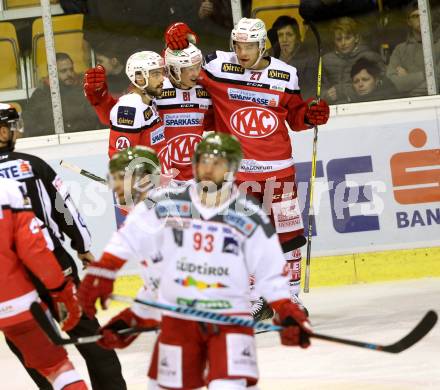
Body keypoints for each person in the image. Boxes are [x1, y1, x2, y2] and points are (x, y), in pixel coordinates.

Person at [78, 133, 312, 390]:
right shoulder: (169, 203)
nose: (208, 169)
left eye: (217, 163)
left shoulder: (250, 215)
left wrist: (289, 310)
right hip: (179, 321)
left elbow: (271, 273)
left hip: (229, 321)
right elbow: (135, 250)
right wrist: (123, 302)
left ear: (232, 168)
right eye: (203, 161)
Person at [164, 18, 330, 310]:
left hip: (278, 168)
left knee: (288, 237)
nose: (242, 51)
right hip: (238, 174)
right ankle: (254, 299)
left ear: (262, 44)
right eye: (238, 44)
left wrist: (309, 115)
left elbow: (293, 116)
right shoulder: (216, 65)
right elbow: (181, 70)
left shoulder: (285, 75)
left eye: (249, 45)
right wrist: (178, 42)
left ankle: (290, 298)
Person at [0, 103, 127, 390]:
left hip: (9, 281)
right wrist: (82, 246)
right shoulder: (33, 165)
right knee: (92, 339)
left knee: (36, 352)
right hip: (53, 264)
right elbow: (65, 209)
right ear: (5, 131)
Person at [0, 177, 87, 390]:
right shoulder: (7, 189)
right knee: (57, 367)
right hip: (15, 302)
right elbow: (34, 249)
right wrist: (62, 291)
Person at [84, 44, 215, 182]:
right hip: (147, 193)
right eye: (156, 74)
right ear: (140, 78)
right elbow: (122, 160)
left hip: (164, 186)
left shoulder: (149, 102)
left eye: (161, 73)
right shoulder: (130, 107)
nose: (162, 79)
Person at [23, 53, 102, 137]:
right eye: (63, 71)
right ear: (51, 73)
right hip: (51, 144)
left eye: (71, 69)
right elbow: (29, 125)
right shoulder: (40, 95)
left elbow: (94, 119)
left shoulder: (84, 91)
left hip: (82, 140)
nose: (69, 74)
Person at [322, 17, 384, 104]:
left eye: (347, 38)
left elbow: (381, 86)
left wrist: (341, 91)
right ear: (334, 41)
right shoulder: (326, 60)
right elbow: (319, 88)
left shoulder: (370, 57)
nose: (343, 43)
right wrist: (325, 95)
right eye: (339, 39)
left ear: (356, 38)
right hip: (334, 109)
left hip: (364, 105)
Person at [386, 1, 440, 97]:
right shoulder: (400, 50)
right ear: (409, 22)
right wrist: (427, 74)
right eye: (415, 16)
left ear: (431, 17)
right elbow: (393, 83)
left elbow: (438, 83)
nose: (421, 18)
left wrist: (408, 79)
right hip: (408, 105)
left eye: (424, 14)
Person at [267, 15, 318, 99]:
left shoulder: (309, 59)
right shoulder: (268, 58)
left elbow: (309, 92)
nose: (284, 39)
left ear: (297, 37)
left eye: (289, 34)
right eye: (280, 35)